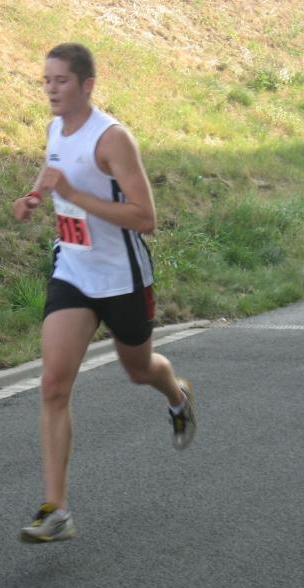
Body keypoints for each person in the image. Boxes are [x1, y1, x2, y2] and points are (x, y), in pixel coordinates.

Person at [12, 43, 196, 543]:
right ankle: (56, 510)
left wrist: (76, 196)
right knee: (53, 384)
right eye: (46, 80)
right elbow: (54, 173)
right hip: (73, 271)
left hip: (122, 278)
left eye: (61, 81)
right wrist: (34, 196)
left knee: (140, 369)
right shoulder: (55, 128)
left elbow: (145, 218)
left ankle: (177, 396)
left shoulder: (113, 139)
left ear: (87, 85)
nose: (51, 89)